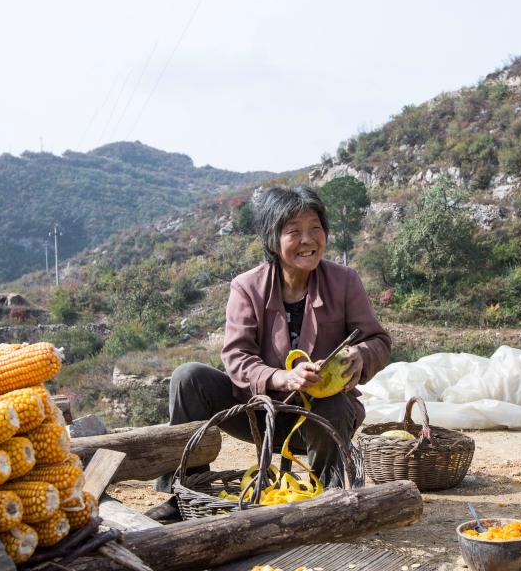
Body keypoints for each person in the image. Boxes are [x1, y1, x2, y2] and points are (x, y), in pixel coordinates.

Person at [155, 185, 391, 493]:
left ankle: (326, 499)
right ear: (272, 239)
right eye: (294, 231)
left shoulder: (344, 282)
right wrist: (282, 378)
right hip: (257, 412)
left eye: (315, 229)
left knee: (331, 404)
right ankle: (183, 491)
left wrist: (361, 355)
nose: (307, 240)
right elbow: (237, 357)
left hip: (318, 417)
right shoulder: (247, 287)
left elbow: (378, 340)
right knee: (187, 377)